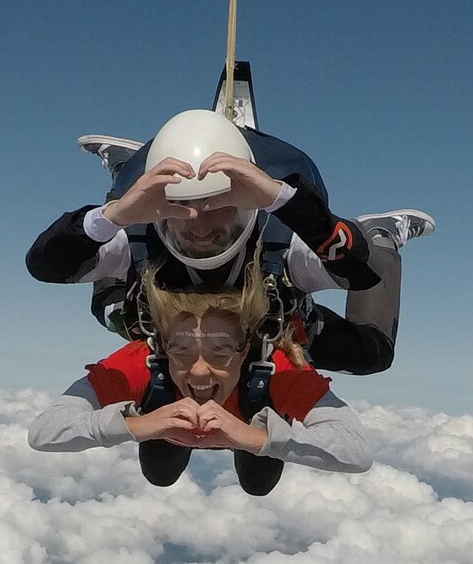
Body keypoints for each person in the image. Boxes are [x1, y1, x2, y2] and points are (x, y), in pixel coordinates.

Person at [26, 108, 430, 376]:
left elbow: (364, 271)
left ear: (248, 205)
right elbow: (46, 265)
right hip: (174, 323)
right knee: (115, 307)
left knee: (371, 355)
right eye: (182, 209)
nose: (199, 227)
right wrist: (117, 215)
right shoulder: (139, 231)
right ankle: (128, 172)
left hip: (275, 326)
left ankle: (382, 232)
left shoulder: (281, 241)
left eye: (219, 206)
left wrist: (282, 200)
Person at [26, 260, 371, 494]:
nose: (200, 370)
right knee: (160, 476)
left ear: (245, 348)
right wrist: (139, 424)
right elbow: (44, 432)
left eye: (220, 352)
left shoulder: (276, 368)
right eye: (180, 350)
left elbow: (356, 452)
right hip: (171, 424)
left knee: (258, 484)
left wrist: (251, 437)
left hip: (252, 425)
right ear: (162, 346)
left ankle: (379, 244)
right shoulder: (143, 361)